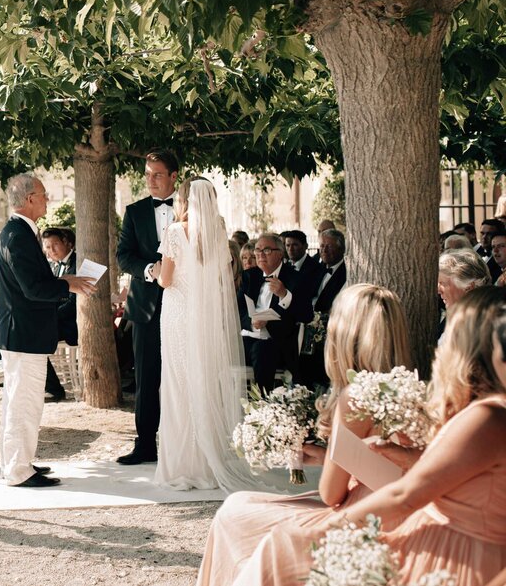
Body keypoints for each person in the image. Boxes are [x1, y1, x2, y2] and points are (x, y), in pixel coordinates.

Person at [232, 286, 506, 586]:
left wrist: (333, 527)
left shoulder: (488, 417)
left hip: (455, 555)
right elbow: (459, 476)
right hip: (436, 535)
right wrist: (406, 458)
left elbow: (401, 496)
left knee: (279, 542)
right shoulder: (478, 410)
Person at [197, 284, 414, 585]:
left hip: (362, 516)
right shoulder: (407, 389)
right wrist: (328, 457)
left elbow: (330, 494)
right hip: (395, 510)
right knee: (239, 506)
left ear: (345, 335)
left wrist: (332, 463)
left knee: (236, 513)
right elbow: (385, 466)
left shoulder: (355, 396)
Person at [153, 178, 262, 491]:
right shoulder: (218, 230)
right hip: (204, 316)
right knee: (202, 382)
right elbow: (220, 277)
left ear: (185, 200)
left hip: (177, 316)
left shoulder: (175, 231)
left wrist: (157, 273)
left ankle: (180, 467)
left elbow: (167, 280)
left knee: (177, 385)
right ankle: (204, 462)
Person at [0, 173, 96, 487]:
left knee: (21, 402)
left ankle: (16, 463)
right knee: (24, 403)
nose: (47, 199)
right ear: (29, 199)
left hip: (23, 332)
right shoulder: (18, 235)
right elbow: (34, 287)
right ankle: (18, 471)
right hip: (24, 334)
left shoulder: (20, 232)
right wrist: (68, 283)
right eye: (43, 194)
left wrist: (67, 283)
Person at [116, 149, 179, 465]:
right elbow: (123, 255)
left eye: (157, 174)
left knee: (181, 374)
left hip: (183, 305)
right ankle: (145, 445)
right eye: (147, 174)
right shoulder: (135, 211)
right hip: (144, 308)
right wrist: (149, 269)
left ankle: (181, 444)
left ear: (173, 176)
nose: (151, 180)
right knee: (146, 376)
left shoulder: (191, 210)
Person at [241, 233, 312, 393]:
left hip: (277, 342)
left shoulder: (296, 278)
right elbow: (239, 311)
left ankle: (261, 407)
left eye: (266, 250)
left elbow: (307, 315)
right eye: (257, 250)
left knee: (262, 350)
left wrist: (284, 295)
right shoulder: (250, 276)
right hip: (248, 337)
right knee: (221, 348)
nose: (260, 254)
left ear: (280, 253)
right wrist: (252, 322)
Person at [297, 228, 348, 389]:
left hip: (331, 330)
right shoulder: (317, 270)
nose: (324, 250)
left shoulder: (346, 273)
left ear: (341, 248)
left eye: (329, 246)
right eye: (322, 246)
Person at [40, 226, 78, 402]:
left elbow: (73, 303)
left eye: (54, 245)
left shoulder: (77, 263)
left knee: (34, 336)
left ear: (68, 243)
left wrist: (48, 317)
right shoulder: (53, 267)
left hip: (72, 324)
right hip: (57, 320)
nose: (51, 251)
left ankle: (54, 389)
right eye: (47, 247)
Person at [437, 248, 492, 339]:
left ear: (469, 287)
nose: (438, 290)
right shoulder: (456, 318)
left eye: (443, 283)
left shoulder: (482, 325)